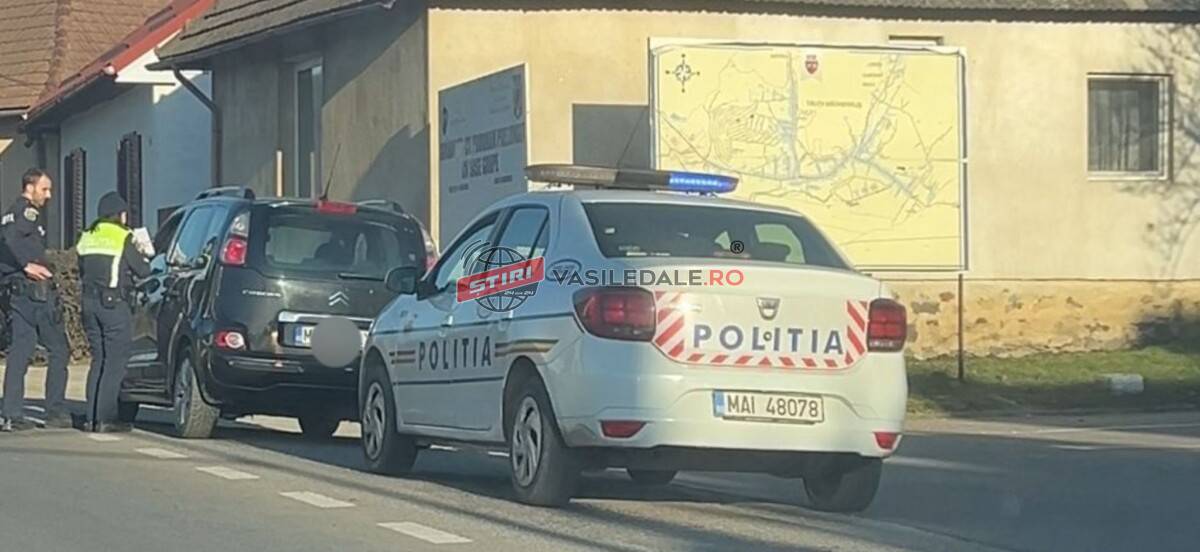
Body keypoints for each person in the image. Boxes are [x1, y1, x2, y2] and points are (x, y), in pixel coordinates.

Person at [0, 168, 71, 432]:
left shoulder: (11, 212)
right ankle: (54, 411)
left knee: (21, 350)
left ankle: (11, 413)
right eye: (44, 189)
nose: (48, 195)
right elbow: (10, 238)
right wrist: (26, 264)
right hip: (34, 292)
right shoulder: (26, 211)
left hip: (18, 292)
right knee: (59, 349)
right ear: (30, 188)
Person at [76, 192, 151, 432]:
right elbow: (143, 271)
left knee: (98, 360)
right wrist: (143, 251)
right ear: (120, 214)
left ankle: (91, 418)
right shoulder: (123, 235)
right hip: (112, 304)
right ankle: (106, 419)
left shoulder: (87, 235)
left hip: (88, 303)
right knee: (115, 362)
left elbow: (81, 268)